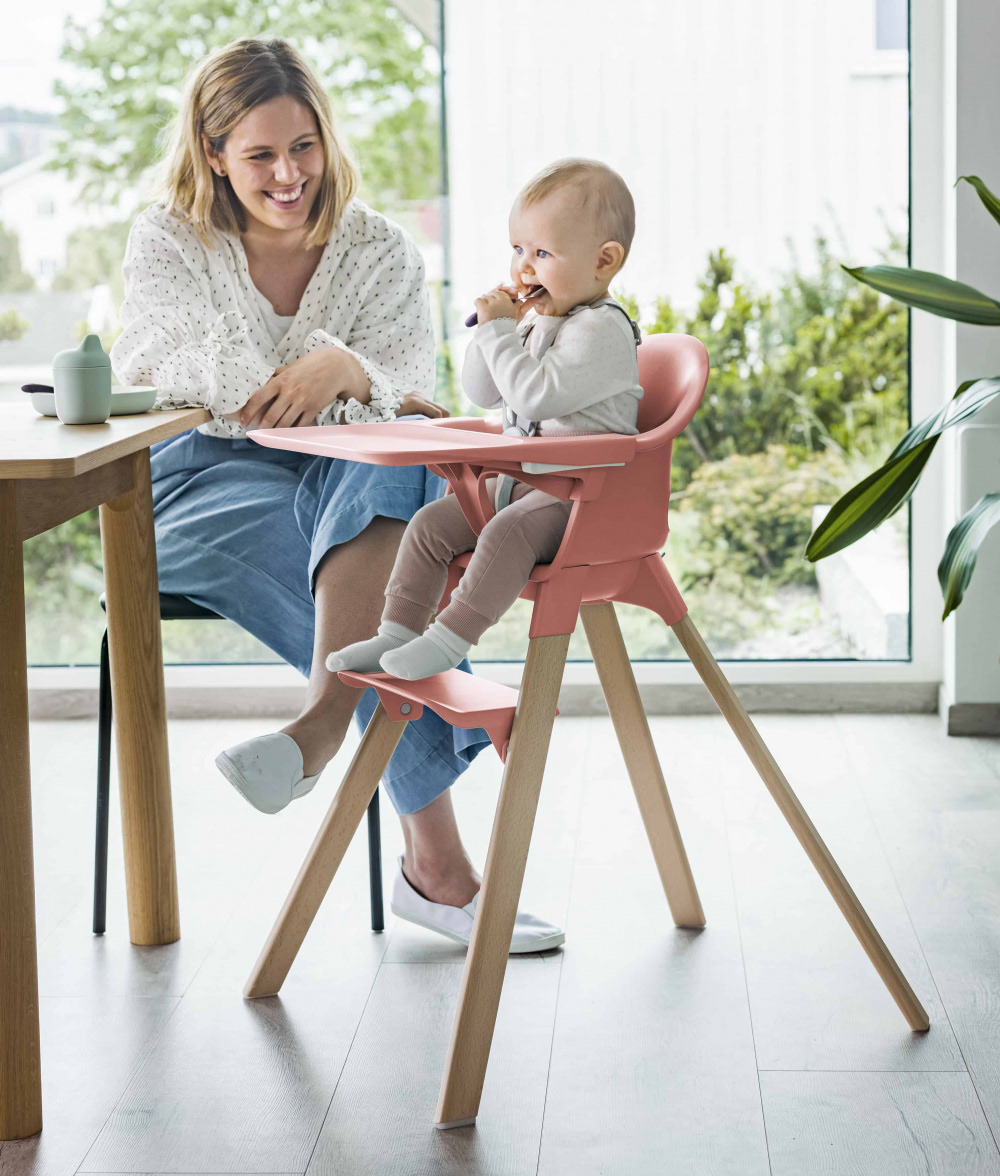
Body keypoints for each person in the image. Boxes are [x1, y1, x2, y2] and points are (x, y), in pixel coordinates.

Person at [111, 37, 562, 952]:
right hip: (202, 474)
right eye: (260, 154)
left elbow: (412, 392)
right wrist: (324, 372)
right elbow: (178, 362)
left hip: (346, 472)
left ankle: (318, 732)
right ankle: (438, 869)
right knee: (366, 576)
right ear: (212, 154)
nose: (289, 174)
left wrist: (349, 369)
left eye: (304, 147)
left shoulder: (379, 248)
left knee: (387, 476)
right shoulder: (168, 237)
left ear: (326, 138)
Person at [328, 158, 642, 682]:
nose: (524, 267)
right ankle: (397, 632)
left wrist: (500, 334)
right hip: (531, 481)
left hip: (588, 495)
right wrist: (495, 333)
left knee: (506, 532)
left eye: (543, 253)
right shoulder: (544, 322)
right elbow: (486, 392)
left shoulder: (601, 330)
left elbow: (537, 398)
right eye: (518, 249)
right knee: (430, 525)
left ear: (604, 262)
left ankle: (449, 640)